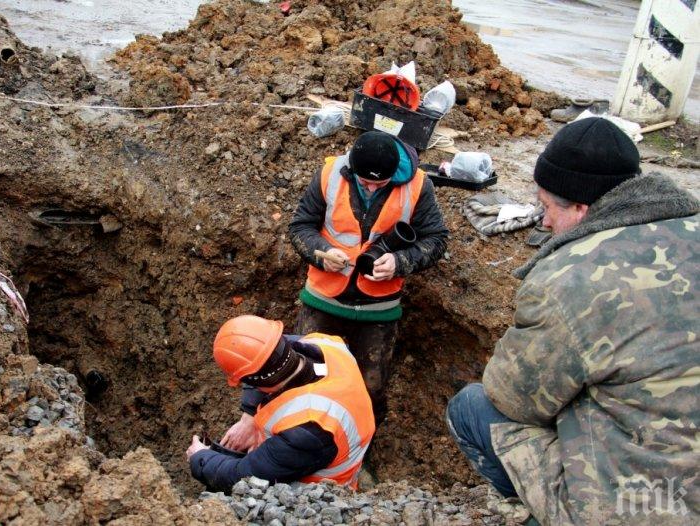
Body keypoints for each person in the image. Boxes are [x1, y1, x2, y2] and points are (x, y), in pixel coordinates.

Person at [446, 117, 699, 524]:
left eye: (546, 207)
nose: (543, 221)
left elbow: (514, 400)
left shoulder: (568, 278)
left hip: (641, 507)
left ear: (581, 207)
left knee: (473, 407)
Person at [288, 131, 448, 422]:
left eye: (381, 183)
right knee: (305, 377)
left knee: (368, 391)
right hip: (324, 297)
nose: (372, 188)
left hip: (378, 308)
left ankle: (356, 454)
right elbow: (300, 227)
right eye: (365, 182)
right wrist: (320, 252)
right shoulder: (330, 174)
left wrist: (400, 262)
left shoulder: (418, 186)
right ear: (353, 168)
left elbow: (436, 240)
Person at [186, 315, 375, 492]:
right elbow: (266, 350)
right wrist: (249, 416)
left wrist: (200, 458)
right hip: (312, 452)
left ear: (255, 381)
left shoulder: (308, 430)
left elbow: (241, 477)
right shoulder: (326, 345)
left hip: (312, 498)